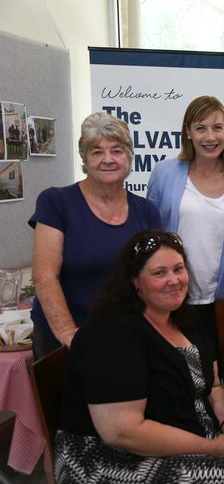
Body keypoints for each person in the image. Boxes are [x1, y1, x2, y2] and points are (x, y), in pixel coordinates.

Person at [55, 230, 224, 483]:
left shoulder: (183, 317)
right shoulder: (110, 333)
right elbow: (122, 432)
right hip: (113, 456)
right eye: (159, 273)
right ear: (134, 281)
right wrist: (215, 448)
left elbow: (214, 384)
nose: (173, 280)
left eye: (178, 269)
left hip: (190, 427)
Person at [29, 112, 161, 359]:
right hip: (65, 340)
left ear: (129, 157)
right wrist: (70, 335)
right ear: (85, 159)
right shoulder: (56, 202)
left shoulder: (147, 211)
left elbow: (154, 277)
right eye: (97, 152)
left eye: (117, 151)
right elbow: (44, 276)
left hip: (127, 337)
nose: (107, 159)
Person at [147, 95, 224, 365]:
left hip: (222, 296)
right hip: (170, 293)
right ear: (187, 131)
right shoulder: (164, 173)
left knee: (221, 367)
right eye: (201, 128)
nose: (210, 137)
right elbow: (150, 235)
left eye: (217, 127)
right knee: (176, 370)